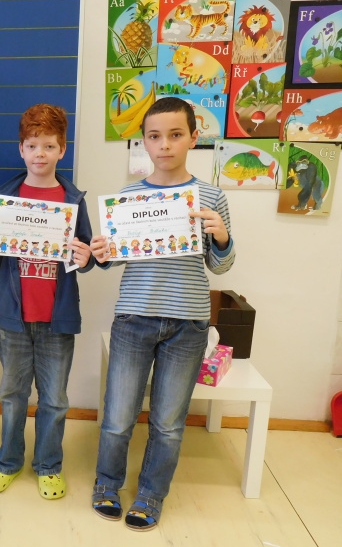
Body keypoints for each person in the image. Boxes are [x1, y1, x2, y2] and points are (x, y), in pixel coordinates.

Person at [89, 96, 235, 531]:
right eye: (155, 136)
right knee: (118, 416)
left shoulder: (211, 196)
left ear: (194, 137)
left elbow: (220, 265)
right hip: (134, 317)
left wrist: (222, 237)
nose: (165, 144)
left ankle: (151, 494)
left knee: (169, 423)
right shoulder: (129, 197)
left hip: (188, 323)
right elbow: (115, 259)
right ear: (144, 142)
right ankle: (106, 483)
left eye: (175, 135)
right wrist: (102, 252)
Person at [0, 103, 98, 500]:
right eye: (32, 146)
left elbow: (85, 257)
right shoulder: (5, 197)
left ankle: (48, 465)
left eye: (49, 146)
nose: (40, 154)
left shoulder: (73, 200)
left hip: (57, 320)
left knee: (55, 400)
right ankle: (8, 460)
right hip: (13, 318)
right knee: (12, 395)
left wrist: (86, 257)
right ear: (21, 150)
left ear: (62, 150)